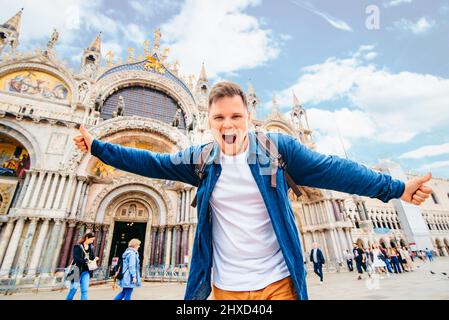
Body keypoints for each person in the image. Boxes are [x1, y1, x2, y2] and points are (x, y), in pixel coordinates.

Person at [73, 81, 433, 300]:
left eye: (236, 117)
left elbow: (335, 171)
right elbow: (150, 162)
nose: (228, 125)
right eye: (219, 118)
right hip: (226, 286)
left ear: (249, 117)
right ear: (209, 121)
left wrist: (397, 188)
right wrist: (98, 148)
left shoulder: (275, 149)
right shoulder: (200, 159)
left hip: (279, 283)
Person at [66, 232, 98, 300]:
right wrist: (86, 261)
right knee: (73, 289)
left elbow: (91, 258)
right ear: (87, 238)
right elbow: (76, 258)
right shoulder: (77, 246)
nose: (92, 241)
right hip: (76, 270)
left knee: (84, 290)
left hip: (86, 271)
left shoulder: (91, 247)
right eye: (91, 239)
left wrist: (94, 259)